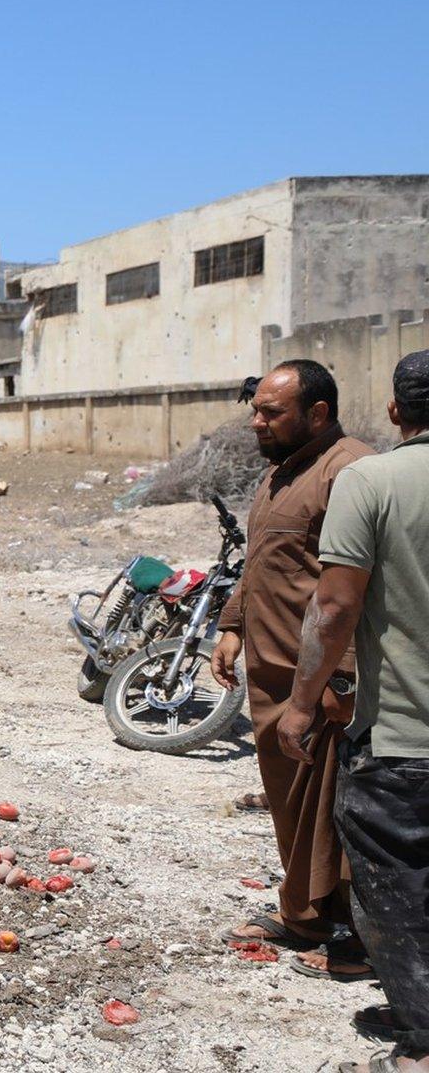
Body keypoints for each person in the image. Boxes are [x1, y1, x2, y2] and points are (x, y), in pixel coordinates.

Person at [282, 350, 429, 1073]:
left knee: (399, 885)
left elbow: (335, 604)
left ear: (396, 412)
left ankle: (424, 1043)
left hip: (407, 737)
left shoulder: (371, 480)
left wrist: (301, 703)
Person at [211, 360, 374, 978]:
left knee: (335, 812)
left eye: (271, 412)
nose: (257, 421)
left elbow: (351, 589)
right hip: (272, 675)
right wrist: (230, 626)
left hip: (321, 680)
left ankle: (361, 940)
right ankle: (305, 915)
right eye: (256, 409)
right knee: (291, 804)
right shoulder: (281, 472)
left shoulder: (349, 470)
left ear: (318, 414)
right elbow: (261, 562)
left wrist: (340, 676)